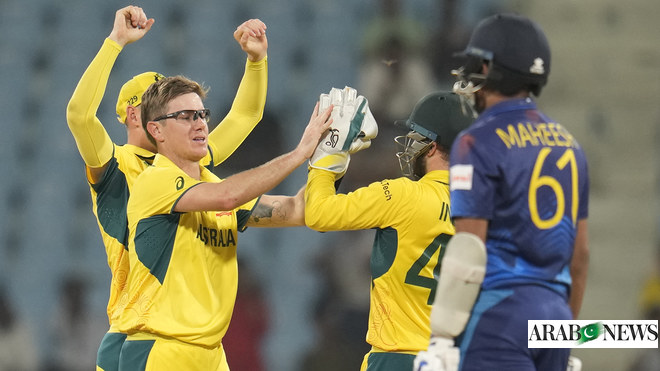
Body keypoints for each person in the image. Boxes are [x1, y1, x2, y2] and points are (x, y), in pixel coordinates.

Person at [65, 5, 269, 371]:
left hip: (183, 337)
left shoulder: (190, 162)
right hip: (134, 330)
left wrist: (256, 62)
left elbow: (245, 116)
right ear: (134, 115)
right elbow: (80, 115)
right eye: (160, 104)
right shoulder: (115, 165)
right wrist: (115, 42)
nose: (185, 117)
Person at [115, 75, 336, 370]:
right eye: (184, 117)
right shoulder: (155, 181)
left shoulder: (211, 186)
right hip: (161, 350)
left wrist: (332, 156)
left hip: (211, 353)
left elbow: (297, 210)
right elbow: (227, 197)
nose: (199, 124)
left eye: (201, 115)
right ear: (156, 129)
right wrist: (299, 153)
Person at [414, 13, 590, 371]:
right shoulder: (571, 146)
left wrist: (443, 339)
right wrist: (565, 338)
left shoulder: (475, 141)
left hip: (500, 316)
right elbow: (580, 257)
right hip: (555, 315)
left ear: (487, 66)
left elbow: (468, 250)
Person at [304, 88, 475, 371]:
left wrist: (329, 156)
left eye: (416, 139)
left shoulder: (402, 195)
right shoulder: (482, 211)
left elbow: (319, 215)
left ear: (431, 147)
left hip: (398, 357)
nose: (409, 148)